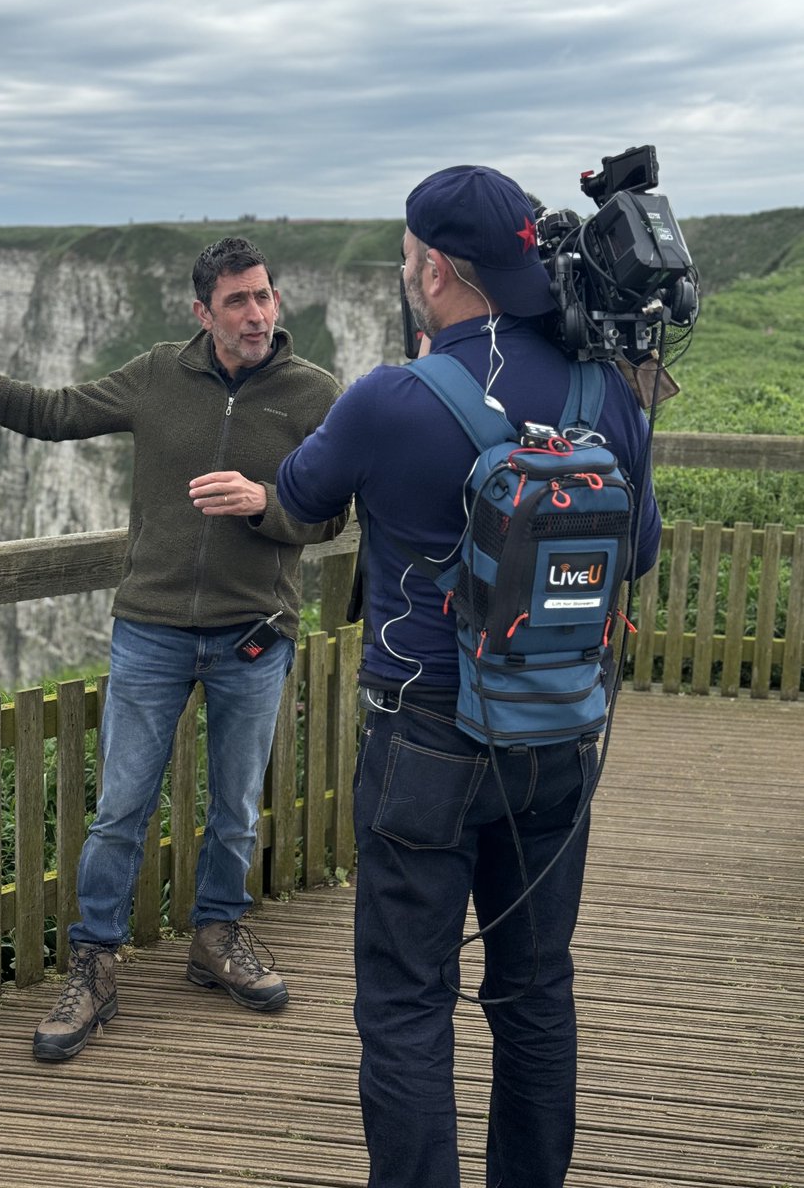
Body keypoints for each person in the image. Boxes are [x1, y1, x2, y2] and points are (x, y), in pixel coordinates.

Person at [275, 167, 661, 1188]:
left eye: (409, 258)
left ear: (437, 272)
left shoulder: (394, 398)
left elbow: (300, 491)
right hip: (558, 739)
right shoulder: (604, 391)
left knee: (407, 1002)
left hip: (425, 738)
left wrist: (404, 397)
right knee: (535, 994)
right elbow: (644, 548)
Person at [0, 237, 347, 1063]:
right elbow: (54, 413)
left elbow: (331, 515)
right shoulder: (155, 374)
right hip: (151, 629)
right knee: (120, 811)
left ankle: (217, 939)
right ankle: (95, 964)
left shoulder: (315, 394)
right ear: (202, 313)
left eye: (265, 296)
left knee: (235, 809)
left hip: (255, 632)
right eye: (238, 302)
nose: (258, 314)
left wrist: (264, 503)